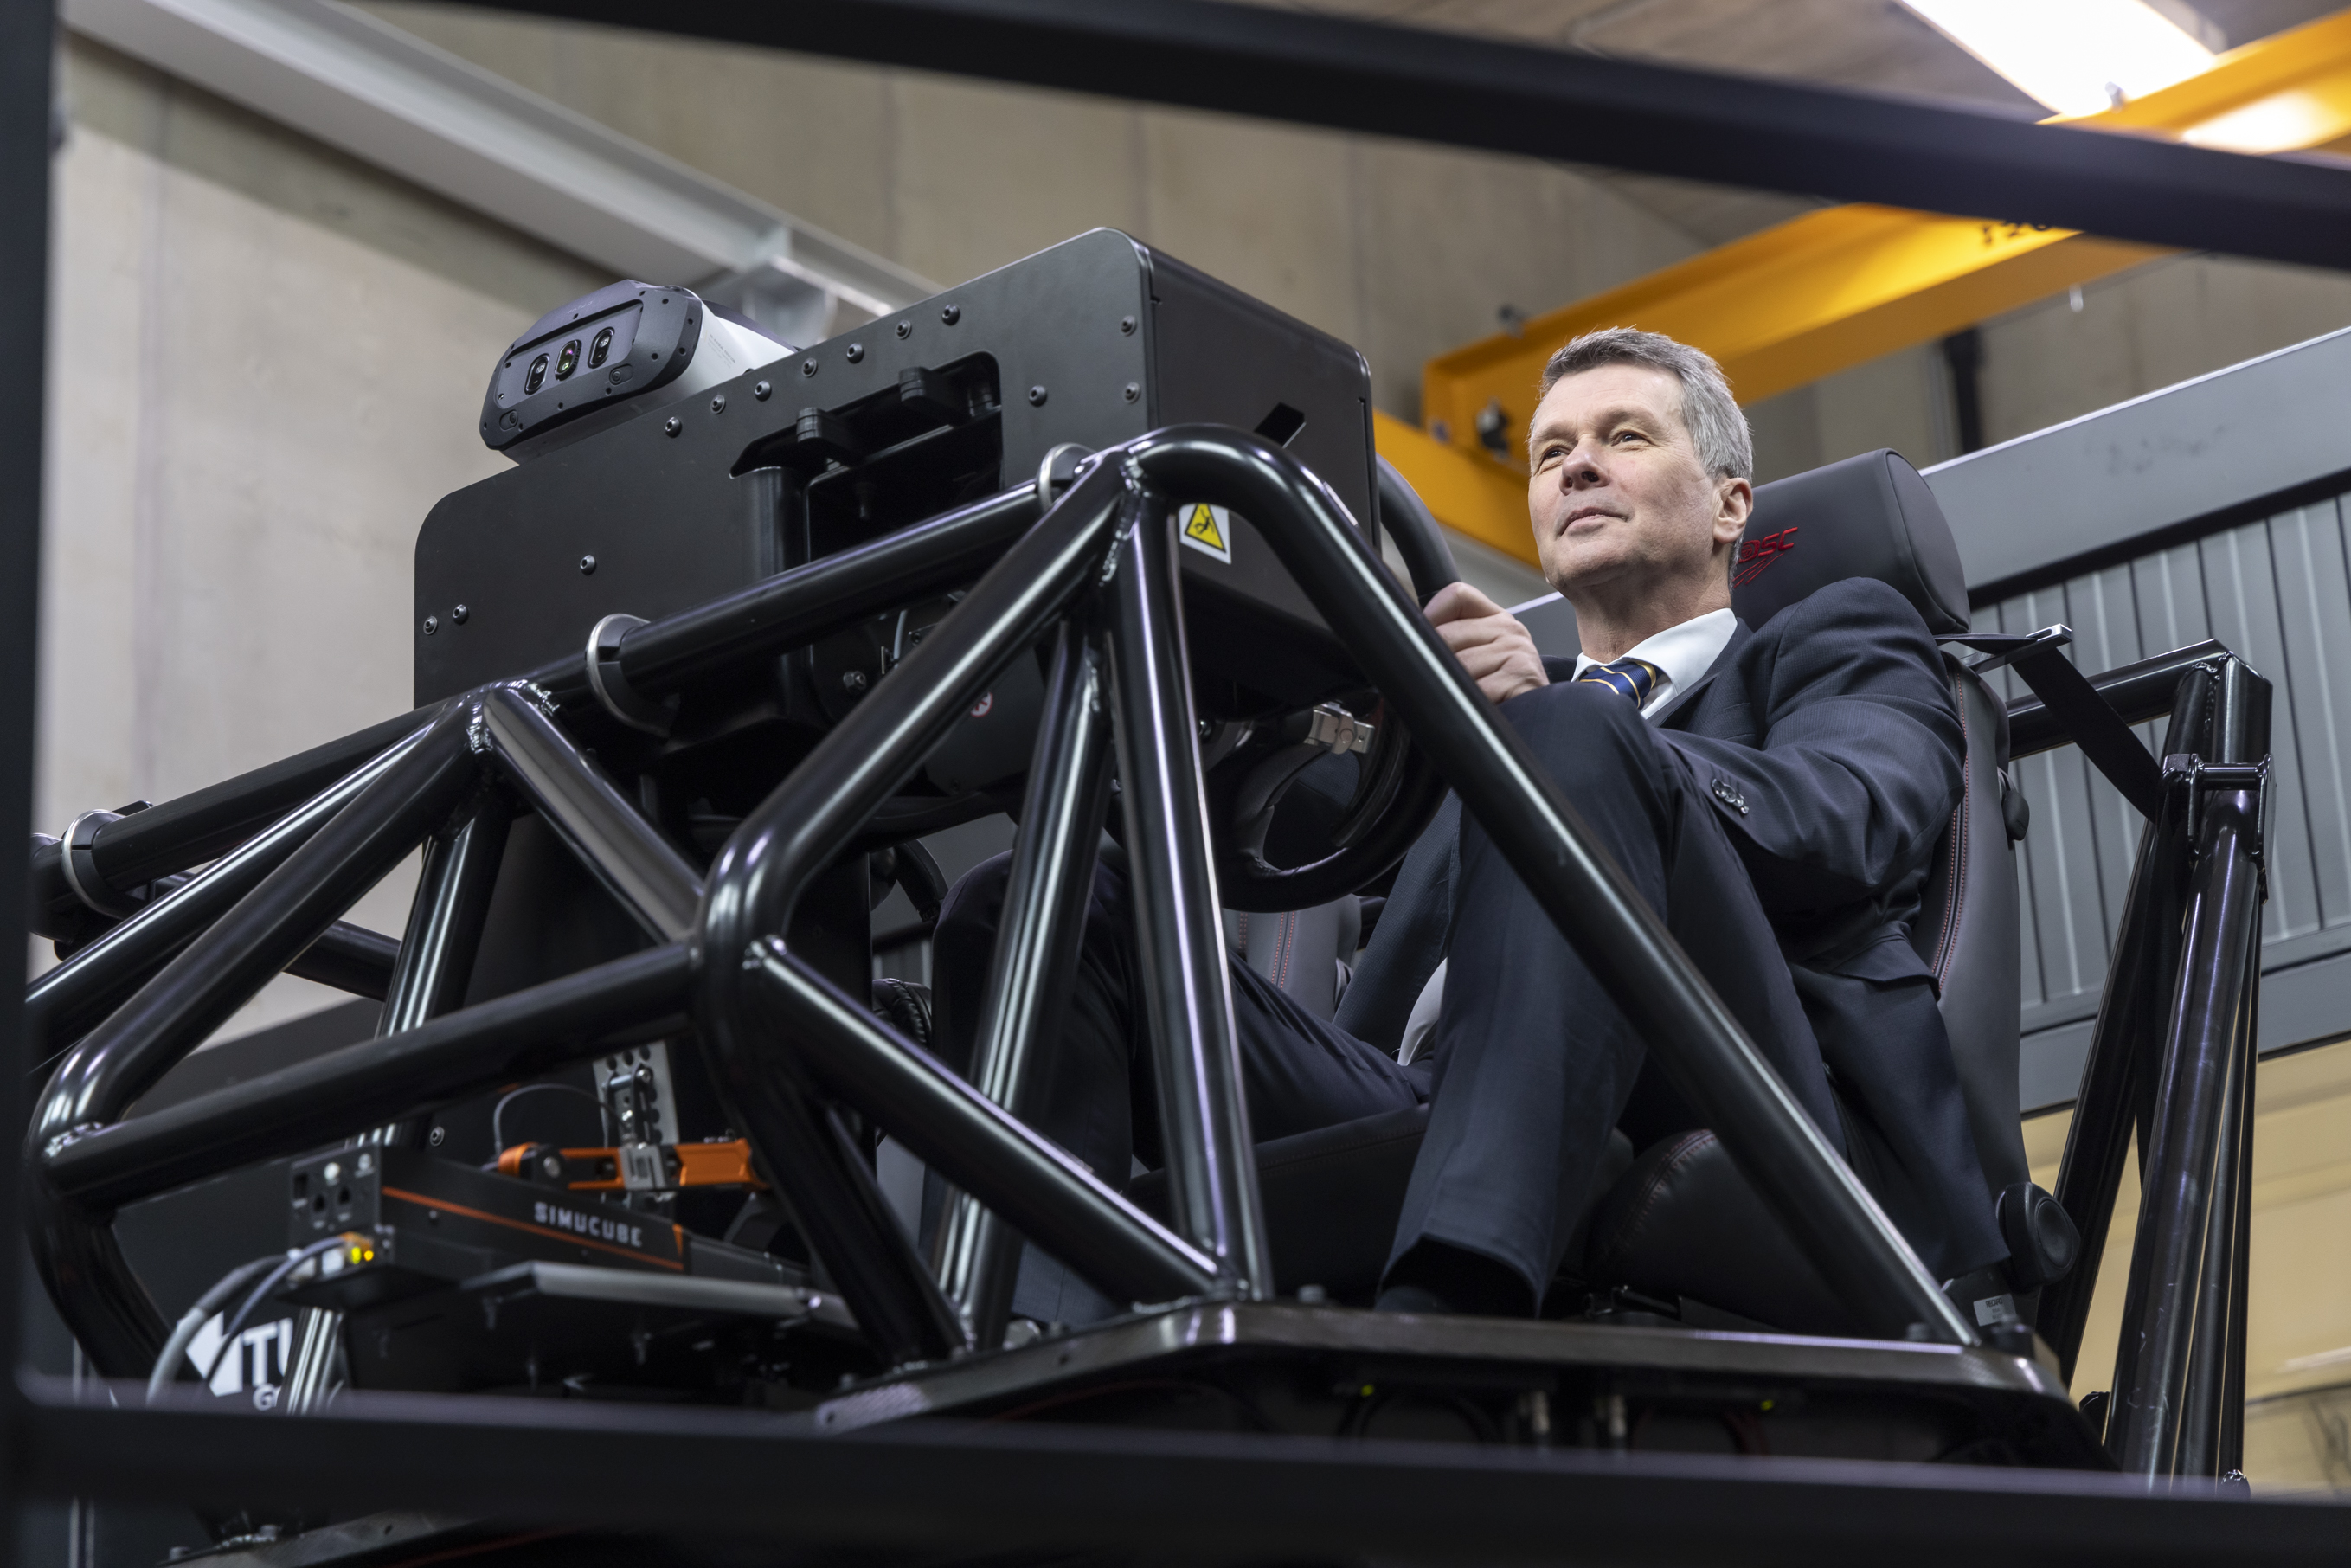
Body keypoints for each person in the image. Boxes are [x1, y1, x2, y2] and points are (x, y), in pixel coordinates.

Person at [932, 327, 2007, 1322]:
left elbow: (1848, 820)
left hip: (1746, 1098)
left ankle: (1449, 1304)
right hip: (1425, 1092)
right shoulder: (1486, 725)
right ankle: (1025, 1341)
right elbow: (1266, 830)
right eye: (1550, 454)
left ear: (1730, 506)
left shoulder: (1835, 635)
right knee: (1035, 902)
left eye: (1623, 438)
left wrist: (1557, 738)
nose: (1575, 468)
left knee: (1575, 736)